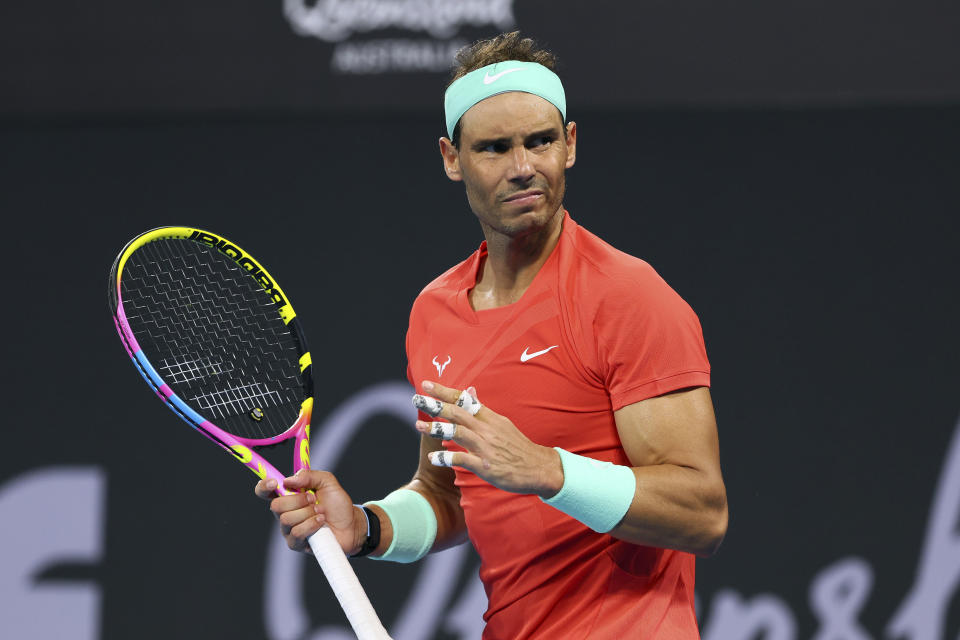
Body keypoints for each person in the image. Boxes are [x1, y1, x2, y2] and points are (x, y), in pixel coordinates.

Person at [256, 31, 728, 639]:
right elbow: (449, 493)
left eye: (540, 141)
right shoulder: (435, 311)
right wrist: (368, 529)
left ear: (571, 144)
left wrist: (547, 470)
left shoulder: (628, 296)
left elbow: (702, 512)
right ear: (453, 159)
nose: (523, 167)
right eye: (495, 148)